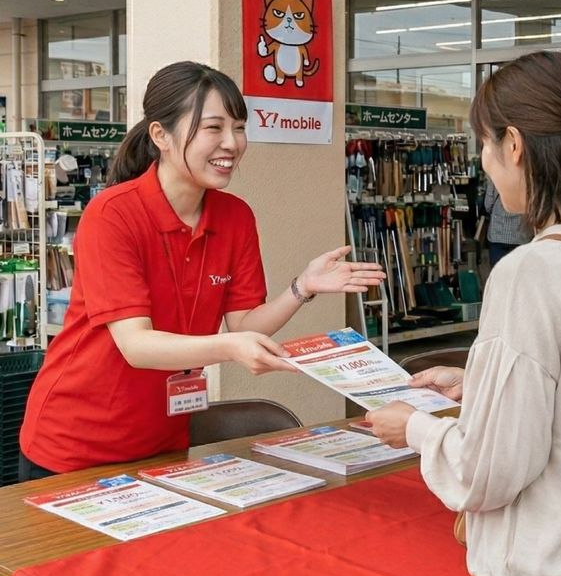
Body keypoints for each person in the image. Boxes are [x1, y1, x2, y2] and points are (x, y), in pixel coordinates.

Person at [367, 51, 561, 576]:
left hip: (558, 572)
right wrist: (480, 384)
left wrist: (414, 428)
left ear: (514, 144)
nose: (482, 160)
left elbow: (490, 472)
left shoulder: (530, 270)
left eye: (484, 142)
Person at [19, 61, 384, 478]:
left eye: (240, 128)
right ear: (162, 136)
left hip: (164, 437)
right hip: (74, 444)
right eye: (214, 128)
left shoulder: (235, 216)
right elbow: (136, 346)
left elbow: (247, 322)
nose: (232, 143)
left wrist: (302, 287)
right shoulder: (112, 214)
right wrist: (230, 348)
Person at [483, 178, 532, 267]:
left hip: (498, 234)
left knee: (498, 271)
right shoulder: (529, 176)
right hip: (522, 235)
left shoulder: (495, 175)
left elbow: (488, 205)